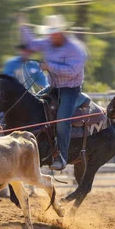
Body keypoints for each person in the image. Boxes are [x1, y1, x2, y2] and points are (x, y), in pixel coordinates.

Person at [18, 14, 88, 170]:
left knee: (63, 121)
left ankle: (62, 157)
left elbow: (73, 71)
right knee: (32, 105)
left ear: (62, 32)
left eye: (54, 33)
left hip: (70, 89)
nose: (52, 37)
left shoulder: (76, 49)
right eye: (50, 33)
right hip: (53, 88)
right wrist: (23, 26)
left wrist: (50, 66)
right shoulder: (49, 42)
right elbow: (32, 44)